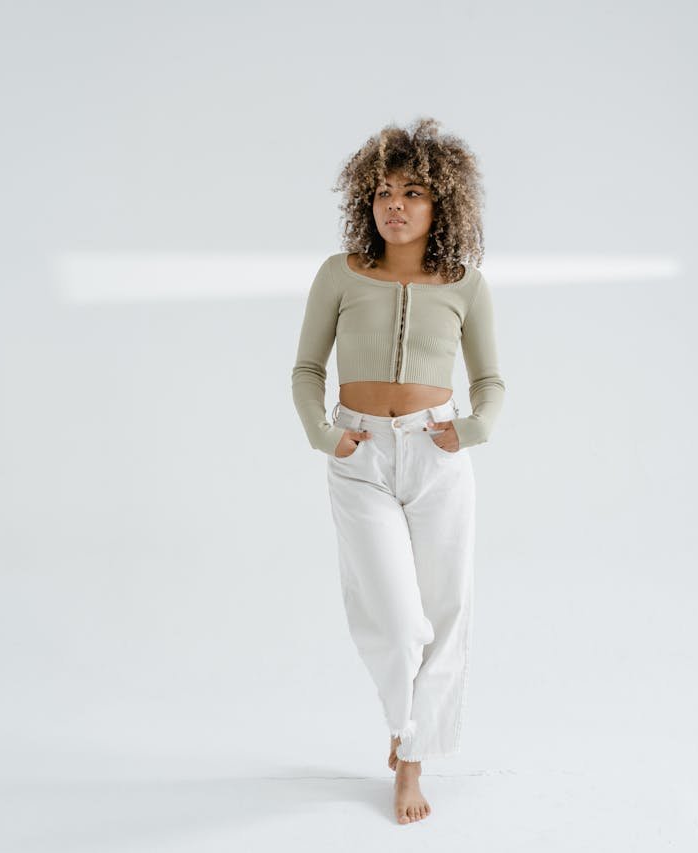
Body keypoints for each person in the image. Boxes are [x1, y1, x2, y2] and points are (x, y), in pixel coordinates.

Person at [290, 117, 506, 825]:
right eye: (384, 191)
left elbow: (492, 381)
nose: (396, 205)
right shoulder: (339, 273)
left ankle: (409, 752)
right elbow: (308, 368)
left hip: (437, 458)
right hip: (360, 457)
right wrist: (326, 435)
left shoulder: (464, 284)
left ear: (441, 202)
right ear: (366, 199)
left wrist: (469, 430)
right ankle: (404, 718)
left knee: (446, 612)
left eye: (413, 192)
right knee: (395, 615)